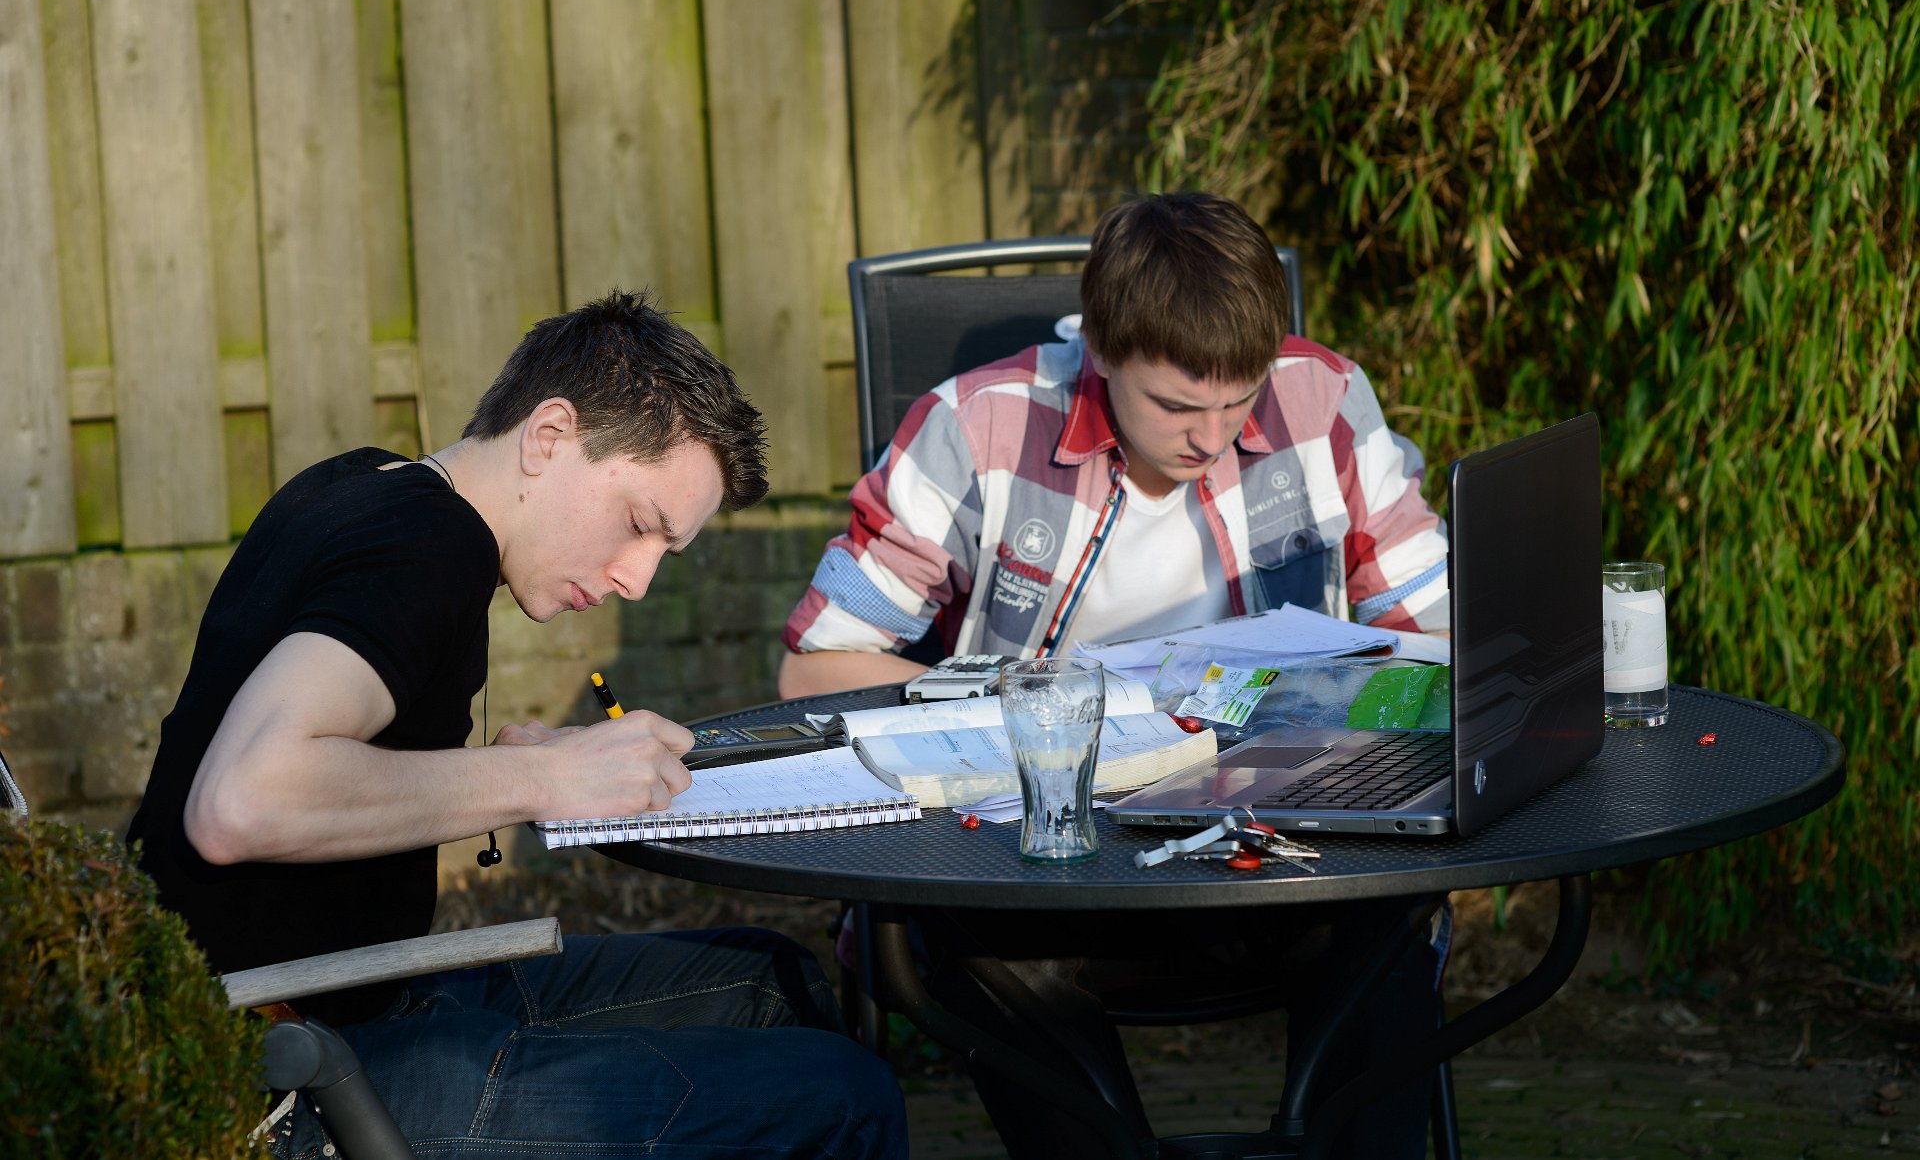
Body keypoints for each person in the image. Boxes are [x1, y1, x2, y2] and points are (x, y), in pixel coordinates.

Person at [126, 291, 906, 1160]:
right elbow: (242, 801)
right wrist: (542, 781)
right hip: (271, 1068)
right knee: (846, 1098)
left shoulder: (360, 485)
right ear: (549, 436)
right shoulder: (430, 545)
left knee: (771, 977)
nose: (637, 579)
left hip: (344, 995)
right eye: (639, 525)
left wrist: (523, 766)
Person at [778, 191, 1451, 1157]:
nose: (1212, 438)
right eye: (1174, 405)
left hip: (1281, 850)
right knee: (978, 942)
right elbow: (814, 670)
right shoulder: (976, 429)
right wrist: (1044, 705)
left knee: (1394, 914)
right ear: (1098, 347)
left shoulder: (1324, 399)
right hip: (1046, 871)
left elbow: (1435, 628)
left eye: (1238, 401)